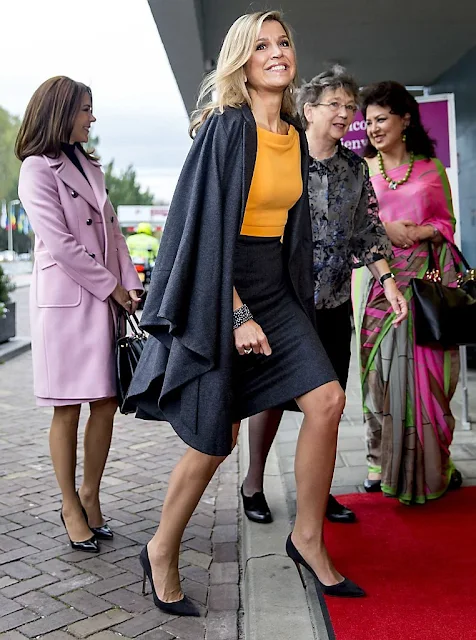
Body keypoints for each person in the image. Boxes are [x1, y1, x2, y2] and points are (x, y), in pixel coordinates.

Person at [127, 11, 365, 616]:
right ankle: (160, 549)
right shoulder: (225, 130)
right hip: (221, 287)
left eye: (283, 41)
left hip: (276, 289)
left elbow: (292, 232)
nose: (277, 52)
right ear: (242, 60)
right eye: (261, 45)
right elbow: (202, 232)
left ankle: (306, 537)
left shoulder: (291, 130)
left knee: (328, 400)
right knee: (217, 438)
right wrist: (236, 314)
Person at [241, 66, 407, 526]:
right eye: (334, 104)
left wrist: (387, 281)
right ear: (308, 108)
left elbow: (367, 232)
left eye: (350, 106)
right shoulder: (285, 158)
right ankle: (253, 482)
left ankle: (318, 494)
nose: (346, 113)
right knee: (271, 398)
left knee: (329, 408)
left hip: (332, 304)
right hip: (283, 302)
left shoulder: (355, 167)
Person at [15, 76, 143, 552]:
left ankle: (90, 492)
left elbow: (114, 233)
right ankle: (70, 503)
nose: (93, 117)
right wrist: (112, 288)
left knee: (107, 401)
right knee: (66, 406)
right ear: (62, 112)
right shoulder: (36, 168)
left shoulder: (89, 164)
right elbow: (62, 244)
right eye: (86, 109)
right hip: (66, 304)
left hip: (103, 299)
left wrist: (130, 283)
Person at [353, 80, 462, 503]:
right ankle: (379, 462)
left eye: (381, 119)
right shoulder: (361, 170)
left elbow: (447, 225)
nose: (373, 128)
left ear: (405, 120)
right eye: (369, 122)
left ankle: (439, 465)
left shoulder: (431, 170)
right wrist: (385, 229)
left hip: (425, 288)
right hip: (380, 286)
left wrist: (421, 230)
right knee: (379, 375)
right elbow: (353, 228)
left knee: (432, 378)